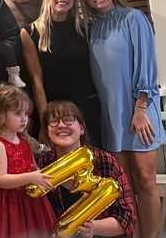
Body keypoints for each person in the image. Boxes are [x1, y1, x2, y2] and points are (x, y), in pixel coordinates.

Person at [79, 0, 164, 238]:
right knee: (124, 187)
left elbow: (147, 67)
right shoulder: (93, 28)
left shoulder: (133, 17)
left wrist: (140, 110)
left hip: (139, 112)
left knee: (147, 182)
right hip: (111, 117)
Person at [21, 0, 102, 146]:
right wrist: (45, 122)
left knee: (93, 164)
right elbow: (37, 82)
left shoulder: (87, 28)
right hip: (53, 111)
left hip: (87, 107)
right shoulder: (30, 32)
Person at [39, 100, 136, 238]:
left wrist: (92, 227)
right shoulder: (42, 165)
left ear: (81, 129)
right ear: (47, 131)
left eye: (68, 119)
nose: (61, 125)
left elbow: (127, 219)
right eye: (54, 121)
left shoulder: (105, 162)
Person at [0, 84, 55, 238]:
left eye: (26, 114)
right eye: (18, 113)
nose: (24, 119)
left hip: (31, 200)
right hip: (10, 204)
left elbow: (34, 168)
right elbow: (1, 179)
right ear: (1, 114)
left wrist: (43, 178)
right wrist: (31, 177)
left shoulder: (24, 141)